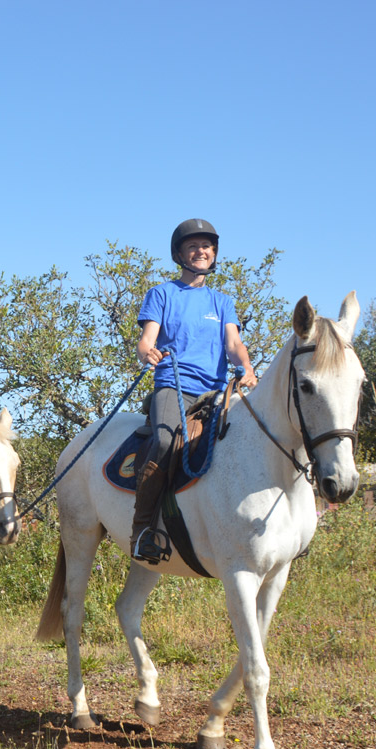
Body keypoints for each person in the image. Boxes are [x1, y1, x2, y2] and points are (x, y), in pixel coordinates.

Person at [130, 218, 258, 563]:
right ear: (180, 254)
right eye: (193, 246)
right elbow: (146, 341)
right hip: (175, 385)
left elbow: (234, 344)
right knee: (164, 440)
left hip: (216, 392)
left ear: (213, 254)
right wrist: (148, 353)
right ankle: (142, 530)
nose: (201, 251)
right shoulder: (162, 294)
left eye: (207, 247)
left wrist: (246, 367)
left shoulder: (222, 302)